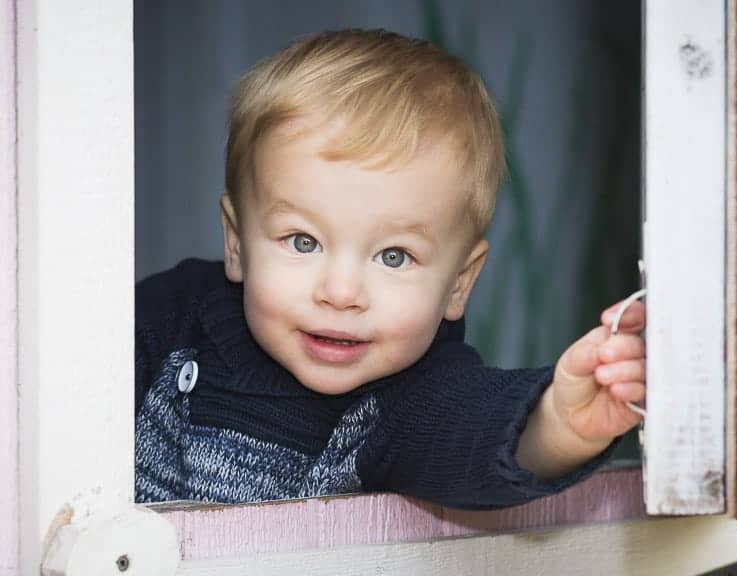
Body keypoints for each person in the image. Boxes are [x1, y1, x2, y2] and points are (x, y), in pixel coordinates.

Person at [135, 28, 646, 509]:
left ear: (458, 284)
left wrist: (559, 423)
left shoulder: (409, 394)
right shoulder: (175, 314)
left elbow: (475, 431)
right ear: (237, 244)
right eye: (303, 241)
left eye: (393, 256)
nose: (341, 292)